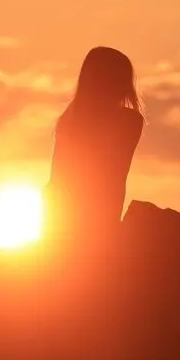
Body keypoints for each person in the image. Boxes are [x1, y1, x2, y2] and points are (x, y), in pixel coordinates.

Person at [45, 47, 145, 242]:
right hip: (91, 220)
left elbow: (58, 178)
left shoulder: (70, 118)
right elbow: (115, 178)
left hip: (60, 217)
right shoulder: (129, 120)